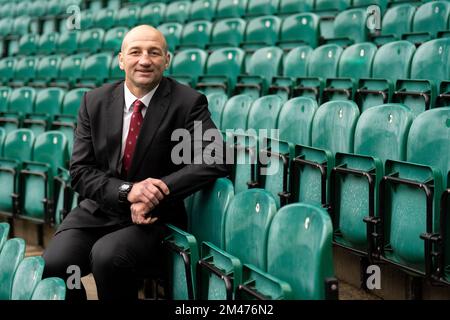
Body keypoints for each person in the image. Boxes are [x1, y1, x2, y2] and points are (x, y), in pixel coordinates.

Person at [42, 25, 228, 300]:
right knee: (57, 264)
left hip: (155, 219)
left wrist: (154, 193)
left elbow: (215, 159)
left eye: (154, 53)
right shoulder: (94, 102)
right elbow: (80, 172)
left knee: (108, 257)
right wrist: (129, 192)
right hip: (99, 213)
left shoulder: (188, 102)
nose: (144, 60)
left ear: (167, 60)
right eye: (135, 52)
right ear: (121, 59)